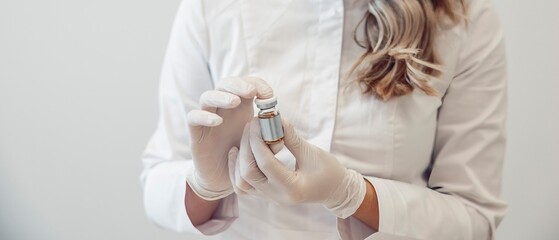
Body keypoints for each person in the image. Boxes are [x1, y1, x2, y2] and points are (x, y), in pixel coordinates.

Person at [141, 0, 508, 239]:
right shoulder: (211, 7)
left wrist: (351, 194)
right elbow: (155, 182)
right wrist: (204, 185)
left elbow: (475, 219)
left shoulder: (466, 18)